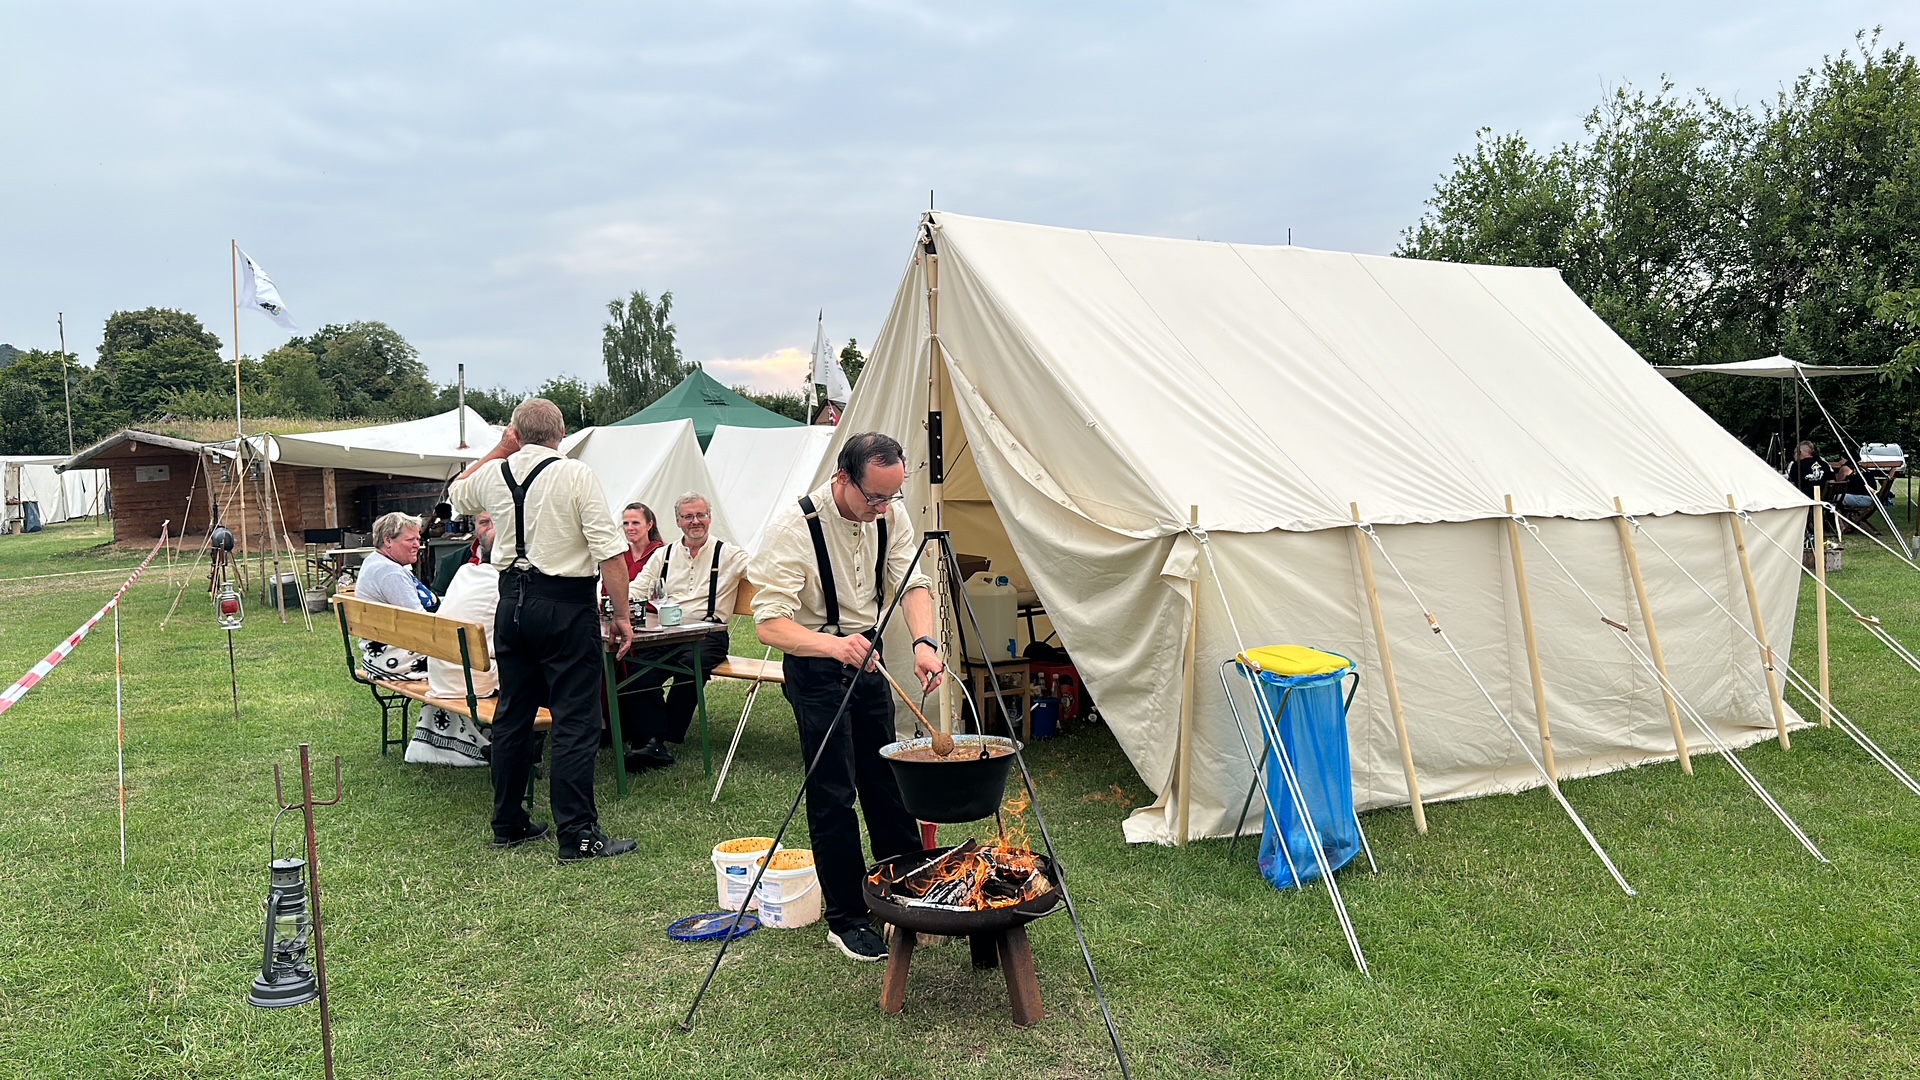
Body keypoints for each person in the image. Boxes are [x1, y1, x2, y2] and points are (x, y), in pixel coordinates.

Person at [749, 432, 945, 963]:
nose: (882, 507)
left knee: (887, 781)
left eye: (891, 496)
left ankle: (906, 891)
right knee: (833, 792)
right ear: (842, 478)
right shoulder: (795, 528)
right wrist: (835, 647)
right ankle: (847, 917)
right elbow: (770, 624)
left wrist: (924, 643)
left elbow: (913, 583)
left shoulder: (889, 516)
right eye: (874, 497)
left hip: (868, 657)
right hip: (815, 664)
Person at [450, 397, 637, 862]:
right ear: (562, 432)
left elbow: (457, 494)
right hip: (564, 603)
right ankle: (577, 833)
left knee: (514, 713)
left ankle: (508, 822)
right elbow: (609, 552)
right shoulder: (575, 474)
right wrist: (621, 615)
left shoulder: (496, 473)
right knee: (575, 718)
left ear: (514, 432)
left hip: (511, 602)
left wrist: (500, 448)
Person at [620, 492, 751, 771]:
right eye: (688, 516)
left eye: (701, 515)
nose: (695, 521)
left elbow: (763, 573)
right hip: (669, 631)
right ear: (678, 521)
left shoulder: (729, 554)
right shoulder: (664, 554)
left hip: (709, 633)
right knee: (640, 668)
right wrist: (614, 601)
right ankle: (651, 741)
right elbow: (638, 587)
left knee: (690, 666)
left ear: (710, 517)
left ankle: (659, 737)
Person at [408, 528, 500, 768]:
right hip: (471, 681)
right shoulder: (504, 583)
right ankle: (527, 743)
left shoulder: (465, 572)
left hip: (440, 673)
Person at [355, 512, 438, 680]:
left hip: (386, 647)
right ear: (388, 541)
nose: (417, 545)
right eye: (410, 540)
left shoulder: (376, 561)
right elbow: (420, 622)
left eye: (418, 539)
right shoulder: (390, 572)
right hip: (397, 657)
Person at [433, 512, 495, 595]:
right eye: (484, 522)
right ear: (475, 526)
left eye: (496, 521)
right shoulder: (452, 563)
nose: (491, 528)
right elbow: (437, 598)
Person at [622, 503, 665, 583]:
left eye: (635, 523)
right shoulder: (620, 554)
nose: (629, 528)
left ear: (649, 525)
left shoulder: (662, 554)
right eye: (626, 523)